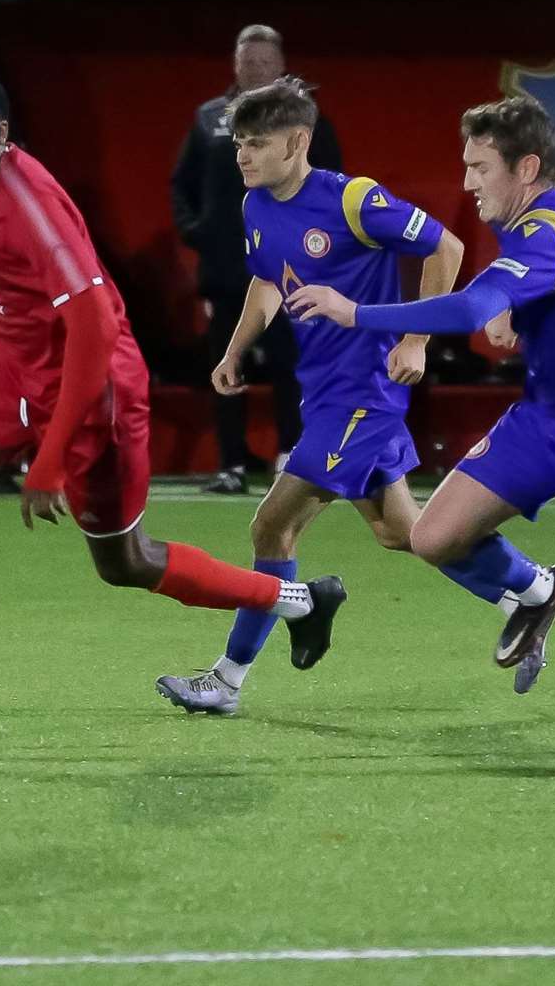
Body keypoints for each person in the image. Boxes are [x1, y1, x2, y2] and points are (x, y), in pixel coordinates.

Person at [0, 70, 345, 753]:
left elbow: (93, 328)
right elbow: (9, 290)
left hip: (96, 390)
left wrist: (48, 459)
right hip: (18, 367)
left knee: (126, 562)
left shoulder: (25, 203)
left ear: (3, 135)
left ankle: (299, 601)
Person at [288, 95, 555, 754]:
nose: (467, 181)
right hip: (547, 419)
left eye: (479, 166)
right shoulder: (536, 227)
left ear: (526, 168)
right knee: (432, 536)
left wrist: (355, 313)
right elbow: (541, 297)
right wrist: (518, 312)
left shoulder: (549, 229)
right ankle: (535, 590)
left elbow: (473, 306)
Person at [158, 77, 475, 715]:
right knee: (403, 532)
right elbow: (268, 283)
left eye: (256, 143)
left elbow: (448, 246)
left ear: (298, 142)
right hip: (327, 392)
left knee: (271, 525)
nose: (242, 155)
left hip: (367, 391)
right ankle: (532, 588)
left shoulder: (352, 199)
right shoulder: (257, 207)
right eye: (239, 143)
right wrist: (234, 349)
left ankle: (227, 678)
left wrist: (416, 340)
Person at [170, 25, 343, 494]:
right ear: (235, 64)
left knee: (292, 364)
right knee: (228, 363)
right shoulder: (210, 119)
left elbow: (332, 183)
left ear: (281, 65)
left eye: (266, 63)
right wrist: (199, 232)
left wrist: (317, 248)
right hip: (227, 271)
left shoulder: (306, 121)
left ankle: (292, 456)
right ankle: (232, 464)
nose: (256, 70)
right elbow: (181, 184)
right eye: (249, 62)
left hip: (291, 271)